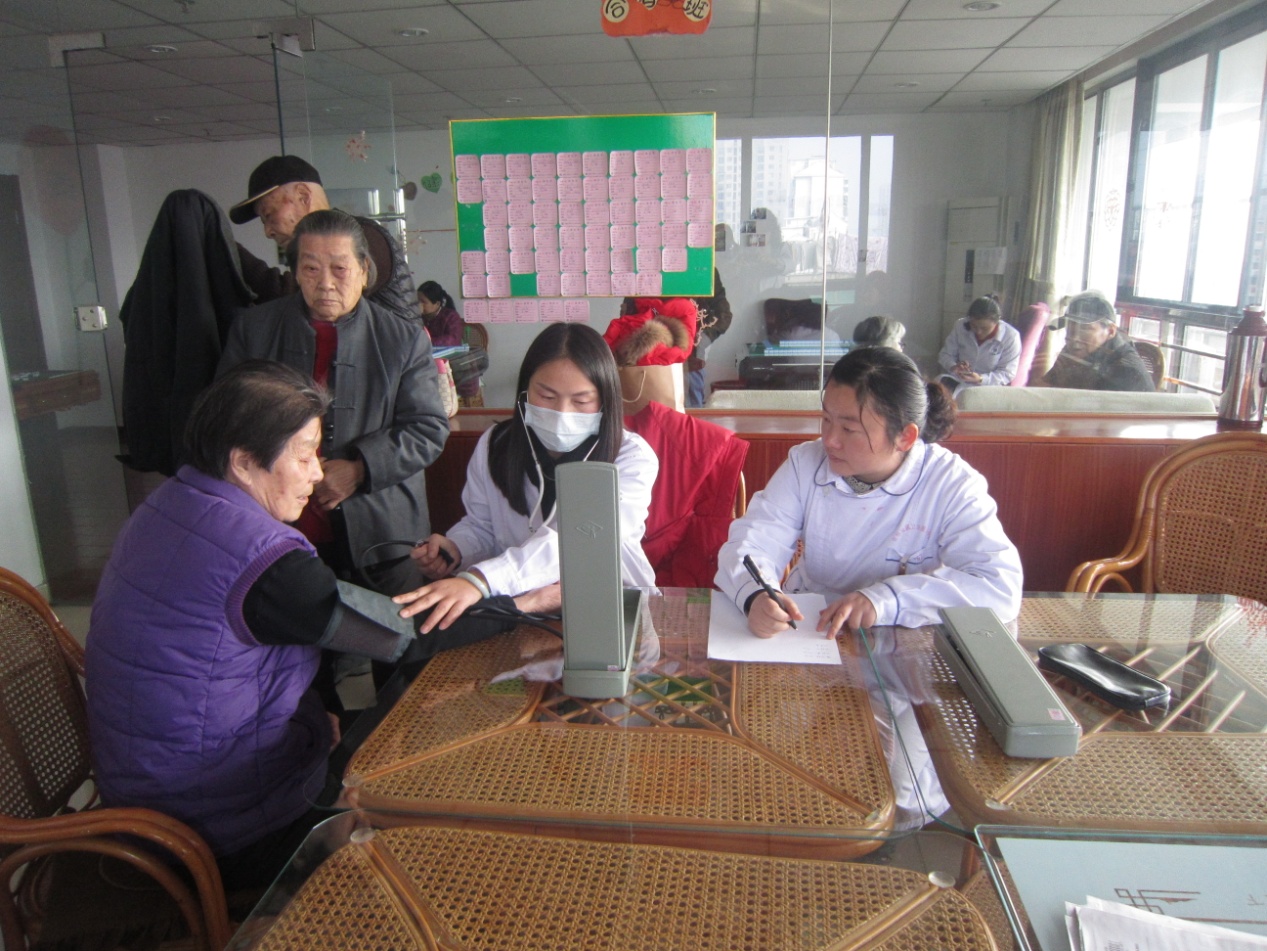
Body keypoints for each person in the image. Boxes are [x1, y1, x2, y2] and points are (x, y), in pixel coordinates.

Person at [85, 361, 419, 892]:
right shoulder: (263, 562)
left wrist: (313, 718)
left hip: (149, 792)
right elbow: (393, 636)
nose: (317, 473)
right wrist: (494, 593)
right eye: (304, 455)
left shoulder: (171, 502)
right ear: (243, 461)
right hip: (213, 831)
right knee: (417, 815)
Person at [716, 346, 1022, 638]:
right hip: (809, 626)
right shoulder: (805, 464)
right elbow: (753, 542)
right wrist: (756, 595)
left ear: (905, 437)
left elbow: (998, 585)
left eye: (849, 429)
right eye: (826, 420)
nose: (830, 440)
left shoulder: (951, 484)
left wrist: (888, 600)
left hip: (905, 633)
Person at [218, 209, 449, 595]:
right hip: (277, 527)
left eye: (339, 269)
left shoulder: (402, 340)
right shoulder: (254, 329)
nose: (325, 283)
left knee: (391, 628)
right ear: (295, 272)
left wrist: (359, 469)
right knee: (293, 630)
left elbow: (428, 428)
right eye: (310, 269)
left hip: (381, 532)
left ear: (363, 269)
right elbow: (228, 418)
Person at [396, 323, 657, 632]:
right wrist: (456, 547)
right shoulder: (497, 444)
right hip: (515, 609)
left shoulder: (630, 458)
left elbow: (580, 543)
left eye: (581, 401)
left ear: (605, 400)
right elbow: (482, 526)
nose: (562, 412)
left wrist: (480, 580)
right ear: (525, 391)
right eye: (546, 395)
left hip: (610, 609)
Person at [228, 154, 416, 321]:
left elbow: (295, 301)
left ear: (303, 196)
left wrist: (227, 249)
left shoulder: (362, 237)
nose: (268, 231)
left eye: (269, 214)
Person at [1040, 290, 1155, 392]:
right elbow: (1044, 388)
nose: (1074, 338)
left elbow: (1083, 407)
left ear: (1110, 331)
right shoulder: (1077, 350)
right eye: (1070, 328)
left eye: (1084, 329)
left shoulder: (1126, 372)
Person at [937, 295, 1021, 391]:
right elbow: (945, 355)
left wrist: (981, 379)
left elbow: (1007, 373)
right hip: (958, 381)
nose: (978, 332)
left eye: (984, 328)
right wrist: (954, 366)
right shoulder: (960, 326)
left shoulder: (1010, 337)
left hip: (989, 387)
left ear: (996, 322)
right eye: (974, 326)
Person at [417, 279, 464, 347]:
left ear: (437, 304)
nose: (419, 305)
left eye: (423, 302)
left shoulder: (451, 316)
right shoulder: (419, 317)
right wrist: (416, 316)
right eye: (417, 300)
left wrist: (426, 342)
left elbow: (453, 340)